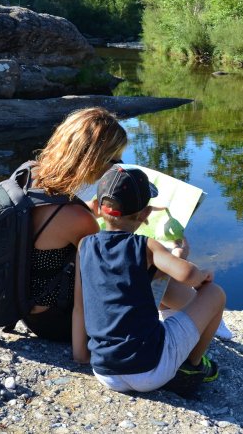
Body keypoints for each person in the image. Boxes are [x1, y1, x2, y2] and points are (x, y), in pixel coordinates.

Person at [72, 164, 226, 394]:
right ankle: (193, 365)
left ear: (97, 207)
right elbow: (187, 275)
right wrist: (200, 271)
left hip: (105, 372)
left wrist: (81, 356)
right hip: (150, 370)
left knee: (150, 287)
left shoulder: (85, 246)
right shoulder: (146, 246)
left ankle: (88, 355)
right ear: (145, 215)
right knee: (215, 294)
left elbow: (79, 307)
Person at [22, 107, 128, 342]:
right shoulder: (77, 218)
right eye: (115, 160)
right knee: (147, 263)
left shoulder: (29, 175)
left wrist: (88, 212)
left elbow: (53, 229)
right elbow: (109, 274)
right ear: (93, 161)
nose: (119, 167)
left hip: (26, 310)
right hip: (57, 321)